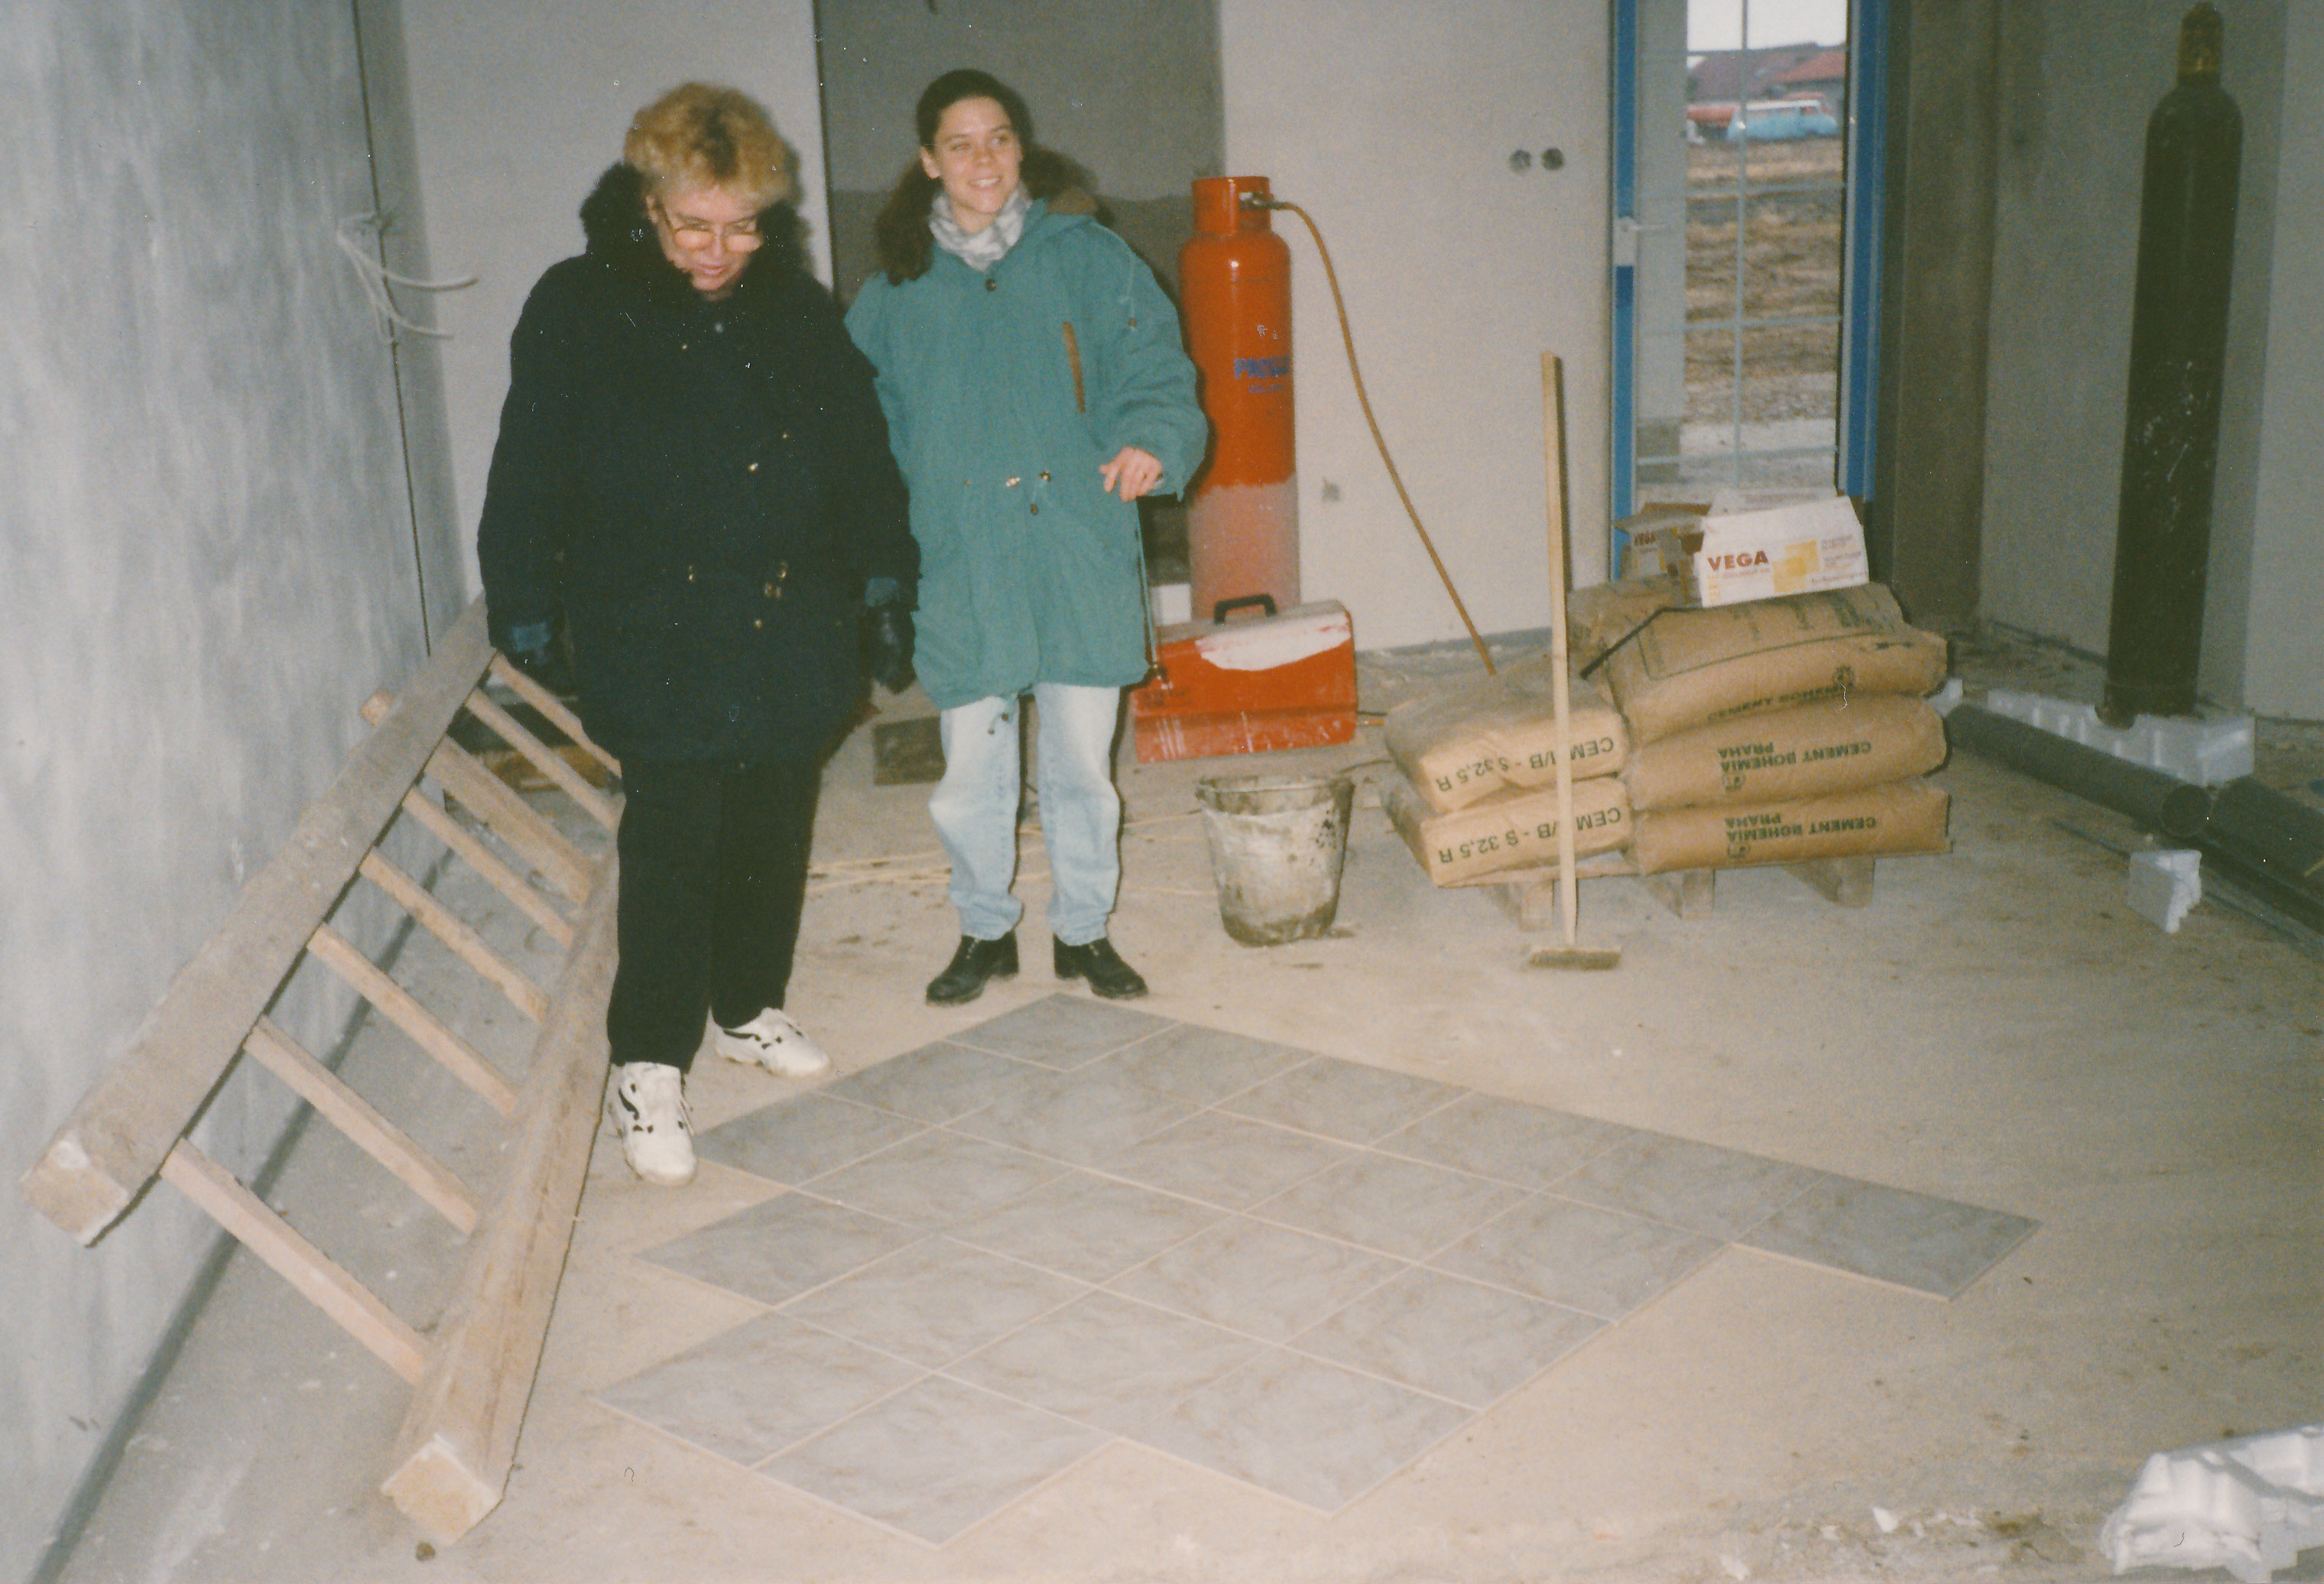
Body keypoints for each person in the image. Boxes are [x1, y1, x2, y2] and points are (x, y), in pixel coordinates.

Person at [478, 83, 918, 1186]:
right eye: (693, 227)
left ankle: (747, 1007)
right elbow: (528, 461)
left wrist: (882, 578)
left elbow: (858, 451)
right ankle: (648, 1063)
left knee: (772, 817)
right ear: (648, 206)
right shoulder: (580, 305)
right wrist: (523, 599)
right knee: (675, 840)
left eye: (742, 227)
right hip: (653, 617)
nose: (718, 253)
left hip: (785, 613)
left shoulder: (793, 307)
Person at [846, 69, 1206, 1008]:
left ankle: (1084, 929)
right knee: (971, 768)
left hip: (1075, 539)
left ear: (1021, 147)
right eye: (960, 143)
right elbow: (857, 426)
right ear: (929, 161)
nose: (984, 159)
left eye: (999, 138)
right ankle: (984, 928)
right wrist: (879, 550)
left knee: (1083, 764)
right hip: (963, 555)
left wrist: (1152, 440)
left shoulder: (1088, 256)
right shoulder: (894, 289)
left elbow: (1157, 368)